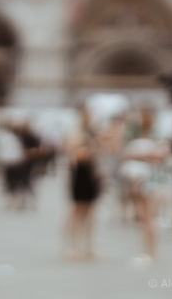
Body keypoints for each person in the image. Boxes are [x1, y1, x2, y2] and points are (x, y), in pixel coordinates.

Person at [118, 107, 170, 264]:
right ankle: (145, 250)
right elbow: (122, 153)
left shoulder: (158, 134)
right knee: (141, 216)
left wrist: (139, 155)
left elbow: (161, 155)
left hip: (152, 180)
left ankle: (152, 252)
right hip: (138, 180)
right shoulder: (137, 133)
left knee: (150, 217)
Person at [64, 104, 100, 260]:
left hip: (91, 174)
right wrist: (92, 146)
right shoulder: (75, 133)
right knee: (76, 211)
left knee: (90, 212)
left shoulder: (91, 132)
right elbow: (78, 156)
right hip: (80, 174)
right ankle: (72, 246)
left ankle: (88, 247)